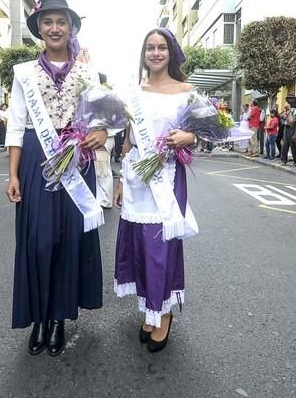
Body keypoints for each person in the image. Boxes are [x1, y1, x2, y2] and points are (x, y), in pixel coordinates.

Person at [5, 0, 107, 357]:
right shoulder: (24, 74)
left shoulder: (87, 72)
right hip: (37, 158)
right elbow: (16, 126)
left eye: (60, 21)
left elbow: (99, 118)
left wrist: (103, 133)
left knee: (69, 240)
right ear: (39, 28)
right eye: (47, 22)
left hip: (77, 158)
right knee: (38, 241)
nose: (54, 28)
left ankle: (59, 318)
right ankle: (39, 318)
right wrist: (13, 174)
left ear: (71, 27)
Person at [113, 28, 199, 353]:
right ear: (143, 53)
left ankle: (163, 315)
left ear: (171, 52)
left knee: (160, 247)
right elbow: (127, 139)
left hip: (168, 176)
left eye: (162, 47)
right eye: (150, 47)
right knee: (138, 246)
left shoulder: (187, 90)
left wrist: (189, 137)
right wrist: (121, 179)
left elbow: (203, 132)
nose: (156, 53)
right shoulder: (134, 92)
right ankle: (150, 310)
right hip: (137, 176)